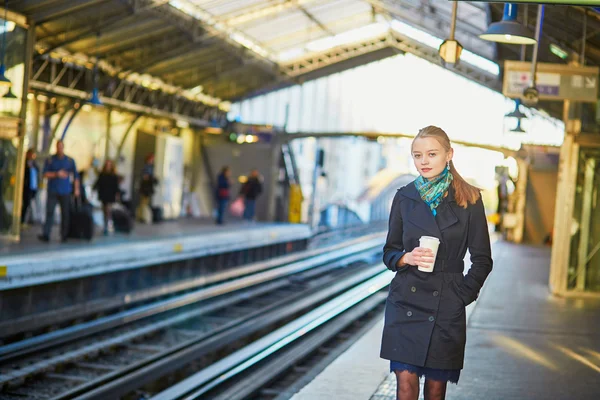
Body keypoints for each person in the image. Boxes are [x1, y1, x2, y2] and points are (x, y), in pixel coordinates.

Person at [380, 126, 493, 400]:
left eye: (432, 154)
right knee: (405, 386)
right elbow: (389, 251)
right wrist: (406, 258)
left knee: (435, 390)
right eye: (417, 155)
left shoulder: (470, 200)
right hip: (405, 301)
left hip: (446, 306)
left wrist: (460, 296)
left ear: (449, 154)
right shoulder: (404, 196)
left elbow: (482, 260)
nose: (424, 161)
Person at [38, 140, 80, 242]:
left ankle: (64, 235)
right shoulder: (51, 160)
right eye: (58, 147)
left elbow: (76, 176)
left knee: (65, 213)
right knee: (49, 212)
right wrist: (57, 174)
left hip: (65, 191)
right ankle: (46, 234)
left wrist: (76, 189)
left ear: (63, 147)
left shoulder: (69, 161)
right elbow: (45, 174)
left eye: (61, 147)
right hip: (53, 190)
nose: (59, 149)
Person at [93, 159, 121, 235]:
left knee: (108, 210)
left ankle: (109, 224)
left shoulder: (114, 175)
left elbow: (116, 186)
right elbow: (98, 183)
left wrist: (117, 194)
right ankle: (106, 225)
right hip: (103, 194)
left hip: (110, 195)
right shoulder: (102, 174)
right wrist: (93, 190)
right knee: (104, 210)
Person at [136, 153, 158, 224]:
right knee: (143, 203)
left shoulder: (151, 167)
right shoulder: (147, 167)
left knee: (145, 202)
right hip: (145, 188)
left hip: (148, 188)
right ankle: (143, 217)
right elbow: (145, 177)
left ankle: (142, 216)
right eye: (151, 159)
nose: (152, 160)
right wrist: (151, 179)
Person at [22, 148, 40, 224]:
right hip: (26, 187)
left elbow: (37, 172)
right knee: (25, 204)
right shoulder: (24, 163)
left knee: (29, 204)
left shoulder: (34, 164)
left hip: (32, 187)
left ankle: (28, 220)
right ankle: (22, 220)